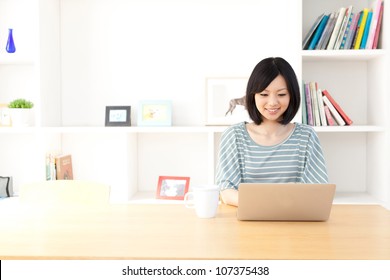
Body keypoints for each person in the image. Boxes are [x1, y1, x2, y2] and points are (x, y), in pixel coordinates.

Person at [216, 57, 328, 207]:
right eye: (264, 94)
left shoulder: (306, 136)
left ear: (292, 95)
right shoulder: (234, 136)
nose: (273, 102)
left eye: (281, 94)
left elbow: (318, 189)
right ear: (252, 96)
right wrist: (269, 205)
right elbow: (226, 190)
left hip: (295, 223)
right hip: (247, 225)